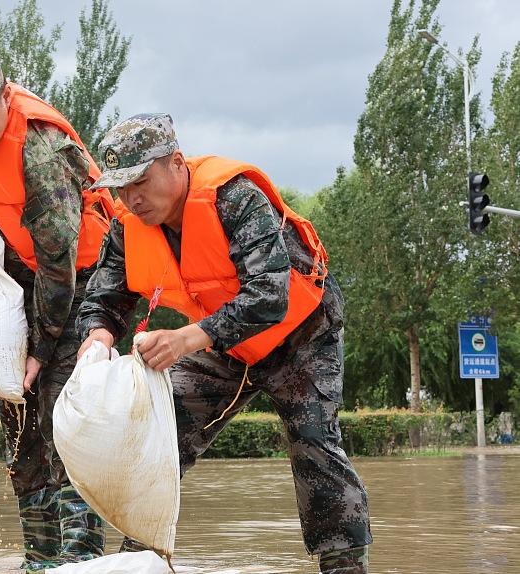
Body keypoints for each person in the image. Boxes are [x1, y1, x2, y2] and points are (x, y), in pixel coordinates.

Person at [76, 114, 372, 574]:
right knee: (160, 430)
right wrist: (97, 334)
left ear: (176, 163)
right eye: (120, 187)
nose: (131, 197)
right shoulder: (127, 225)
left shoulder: (235, 200)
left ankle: (344, 567)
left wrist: (187, 339)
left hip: (299, 340)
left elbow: (270, 294)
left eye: (140, 181)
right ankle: (139, 558)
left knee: (314, 444)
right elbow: (104, 296)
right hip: (224, 344)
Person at [0, 42, 114, 571]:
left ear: (3, 96)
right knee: (23, 436)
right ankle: (40, 562)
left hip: (80, 293)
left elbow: (61, 267)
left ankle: (81, 564)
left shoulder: (41, 149)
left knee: (65, 432)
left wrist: (38, 349)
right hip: (26, 284)